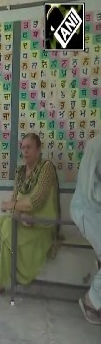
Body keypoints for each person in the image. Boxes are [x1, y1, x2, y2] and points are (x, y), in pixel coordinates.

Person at [0, 133, 60, 294]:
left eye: (29, 147)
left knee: (8, 228)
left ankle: (0, 280)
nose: (25, 151)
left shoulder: (47, 169)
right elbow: (15, 201)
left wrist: (14, 206)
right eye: (23, 147)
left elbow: (37, 200)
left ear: (38, 149)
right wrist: (18, 212)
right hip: (22, 220)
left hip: (41, 224)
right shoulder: (20, 172)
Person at [70, 135, 101, 325]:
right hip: (88, 211)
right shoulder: (96, 145)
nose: (24, 151)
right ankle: (91, 301)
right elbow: (93, 190)